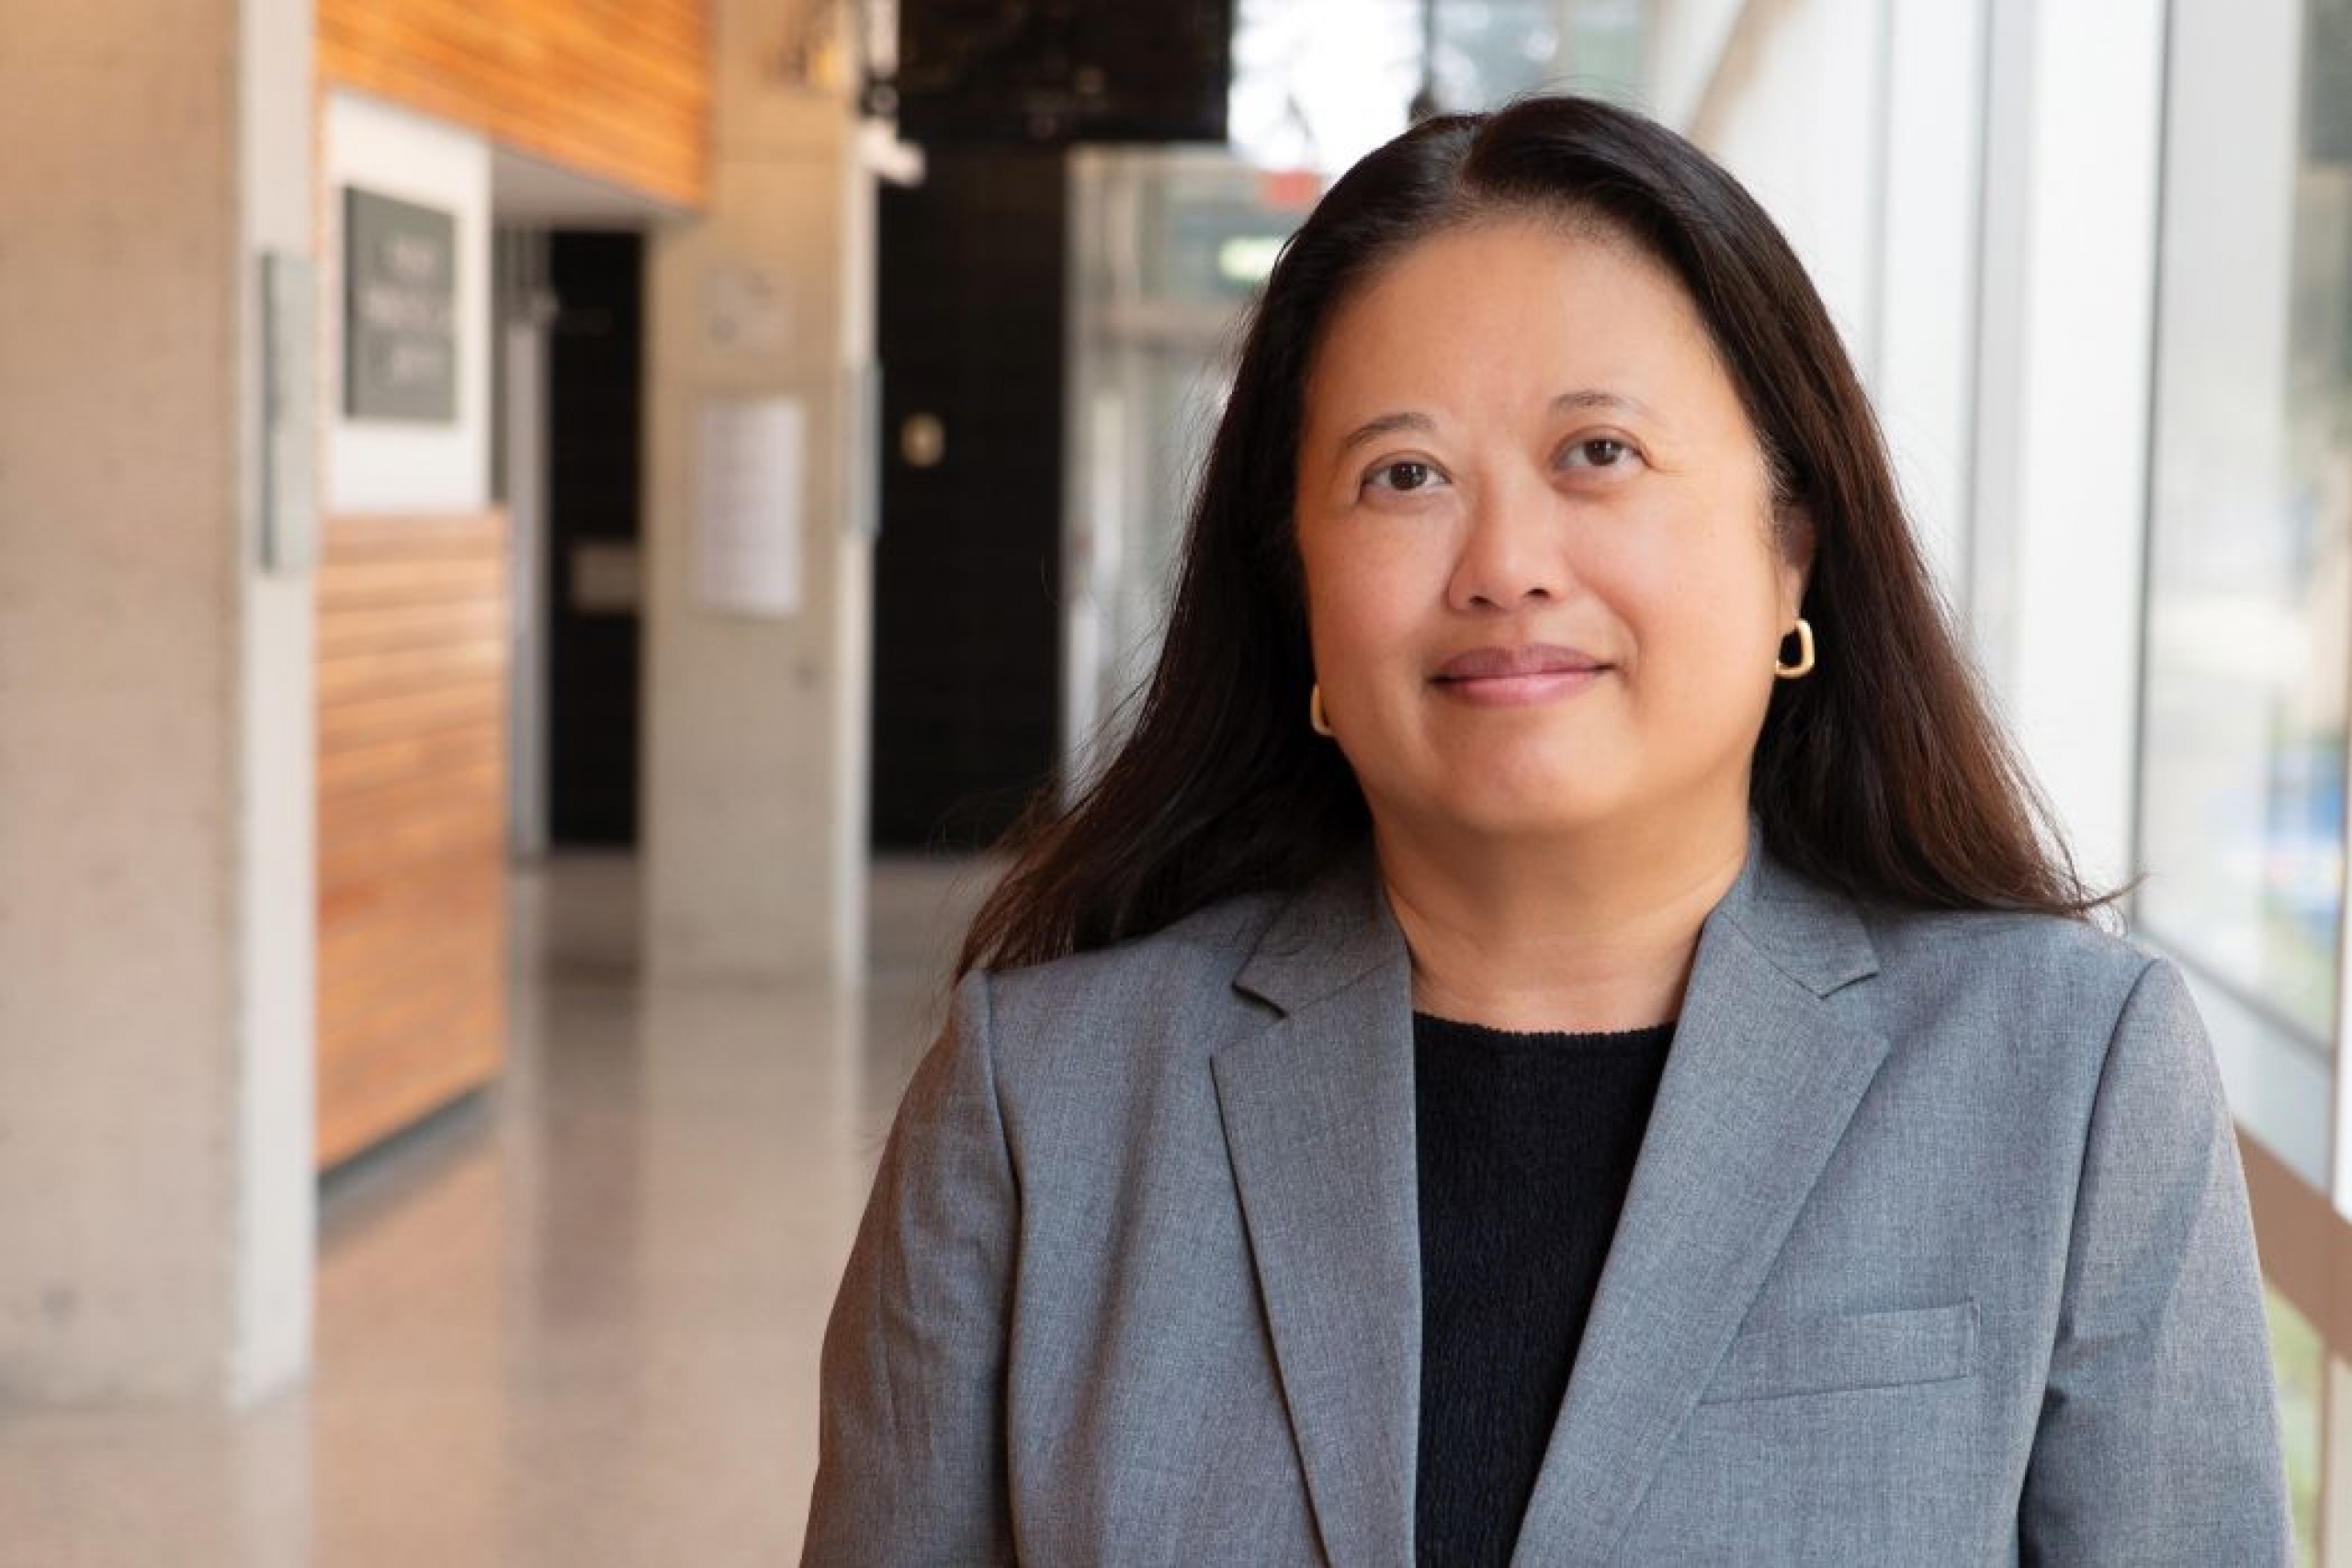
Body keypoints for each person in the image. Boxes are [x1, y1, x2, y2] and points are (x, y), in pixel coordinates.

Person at [803, 96, 2291, 1565]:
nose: (1506, 564)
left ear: (1794, 552)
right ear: (1298, 594)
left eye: (1599, 453)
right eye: (1405, 476)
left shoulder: (2070, 1080)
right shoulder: (1041, 1103)